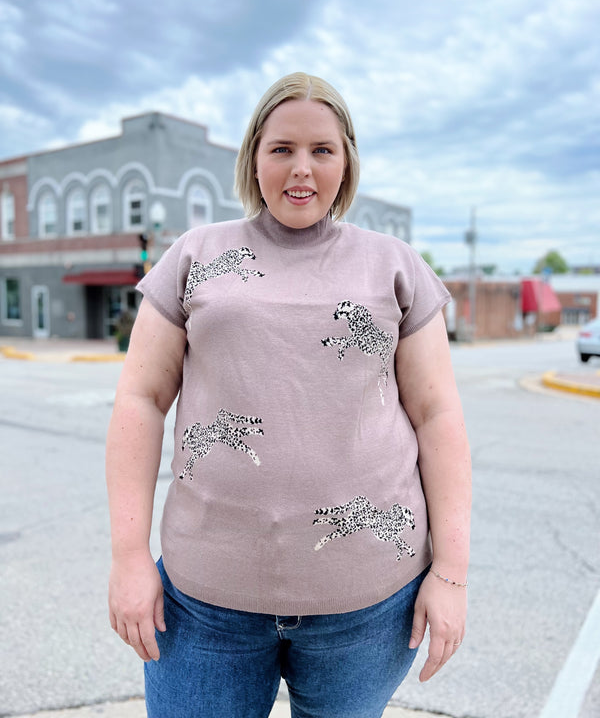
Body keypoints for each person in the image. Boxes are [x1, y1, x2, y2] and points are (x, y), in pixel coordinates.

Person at [106, 72, 471, 718]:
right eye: (282, 149)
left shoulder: (394, 267)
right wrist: (130, 558)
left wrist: (450, 575)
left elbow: (438, 416)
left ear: (346, 161)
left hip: (366, 609)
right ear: (253, 156)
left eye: (322, 150)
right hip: (203, 606)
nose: (301, 169)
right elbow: (140, 398)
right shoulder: (196, 256)